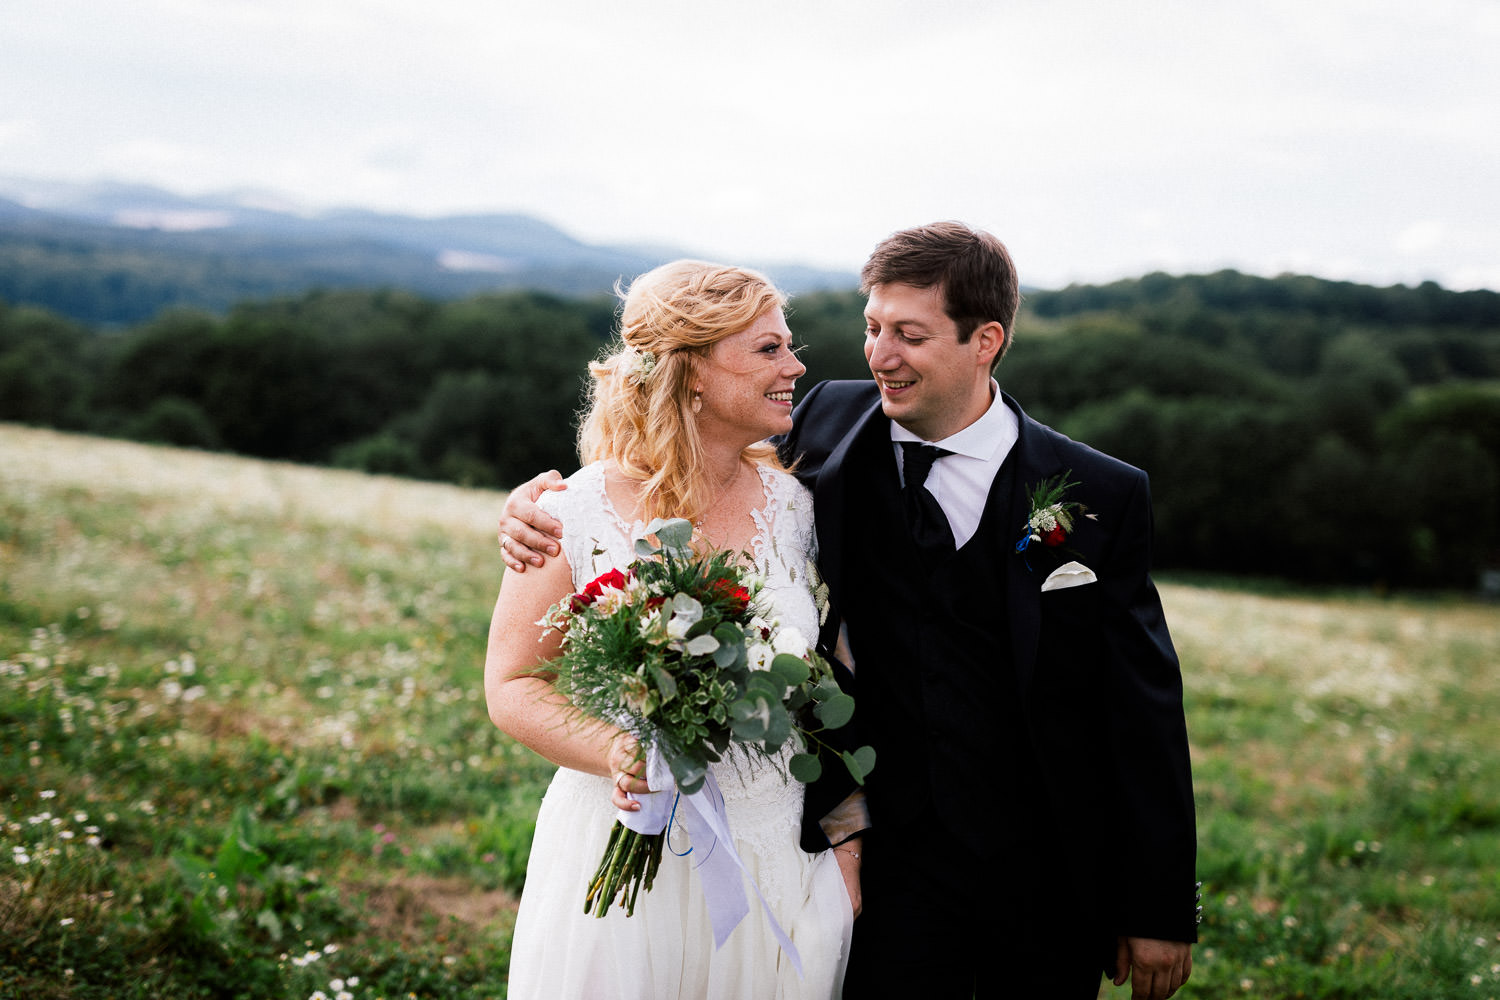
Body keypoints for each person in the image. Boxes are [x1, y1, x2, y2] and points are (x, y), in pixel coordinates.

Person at [499, 223, 1199, 999]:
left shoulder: (1099, 494)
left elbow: (1141, 707)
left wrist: (1159, 903)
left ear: (985, 340)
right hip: (883, 867)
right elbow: (668, 464)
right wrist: (532, 509)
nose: (878, 354)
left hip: (1040, 874)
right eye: (872, 327)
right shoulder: (825, 427)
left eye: (909, 334)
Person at [484, 259, 855, 1000]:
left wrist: (852, 845)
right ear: (691, 373)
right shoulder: (569, 510)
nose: (797, 365)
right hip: (631, 835)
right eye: (768, 349)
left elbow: (841, 674)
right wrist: (618, 749)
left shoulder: (800, 509)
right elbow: (513, 683)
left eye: (788, 345)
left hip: (778, 845)